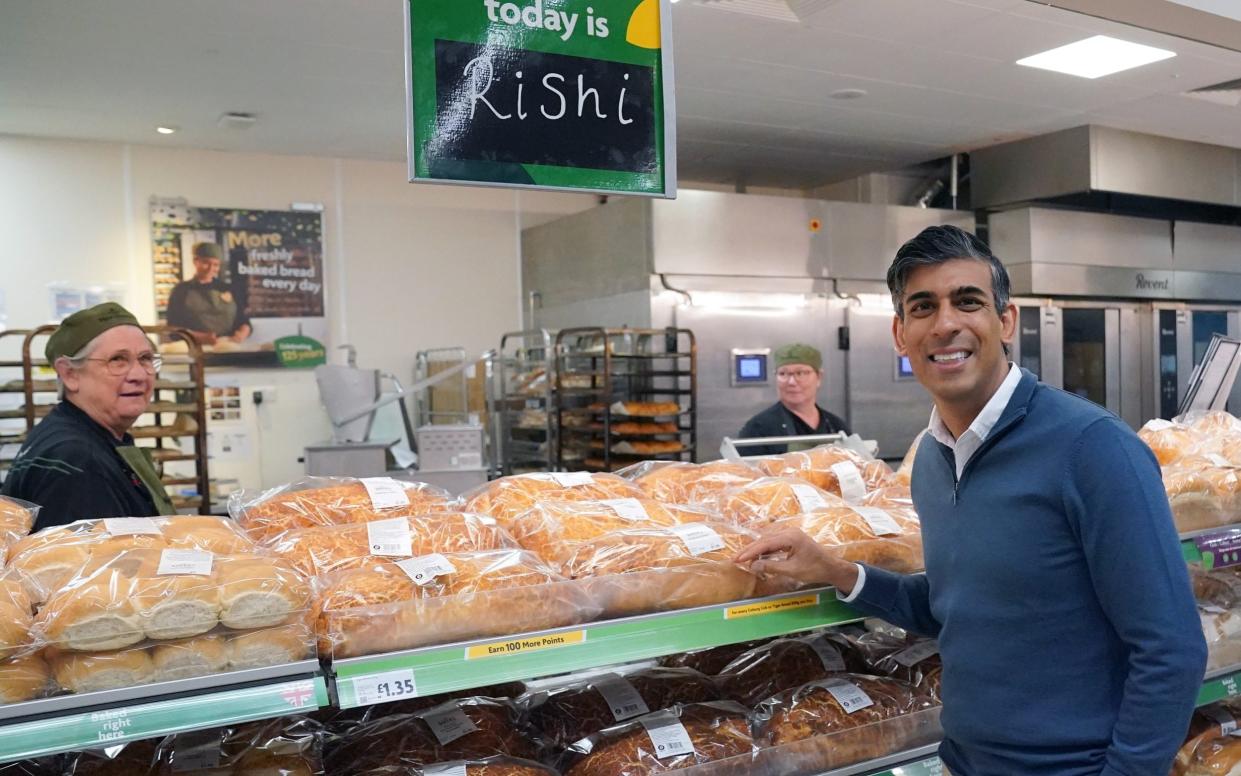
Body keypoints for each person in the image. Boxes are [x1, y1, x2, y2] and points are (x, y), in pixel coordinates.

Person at [735, 225, 1205, 776]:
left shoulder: (1093, 448)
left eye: (968, 302)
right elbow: (955, 610)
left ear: (1005, 321)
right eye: (923, 307)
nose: (946, 324)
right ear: (899, 333)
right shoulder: (931, 461)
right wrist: (836, 570)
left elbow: (1172, 650)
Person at [3, 303, 174, 530]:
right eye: (117, 360)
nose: (139, 374)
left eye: (145, 358)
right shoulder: (76, 459)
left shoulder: (83, 437)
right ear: (70, 374)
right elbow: (96, 563)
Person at [737, 343, 850, 455]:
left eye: (800, 373)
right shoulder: (758, 429)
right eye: (783, 374)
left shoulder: (836, 426)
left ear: (819, 377)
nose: (791, 382)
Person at [165, 241, 251, 345]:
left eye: (216, 265)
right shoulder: (181, 290)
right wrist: (199, 337)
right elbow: (173, 329)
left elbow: (244, 322)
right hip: (195, 349)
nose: (211, 268)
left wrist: (242, 333)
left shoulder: (228, 289)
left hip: (228, 347)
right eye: (206, 263)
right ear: (195, 261)